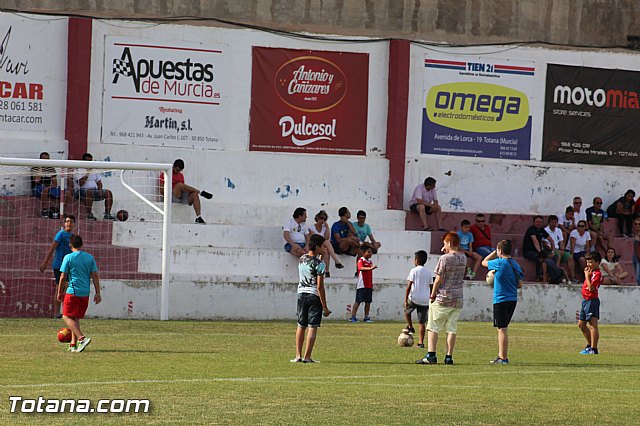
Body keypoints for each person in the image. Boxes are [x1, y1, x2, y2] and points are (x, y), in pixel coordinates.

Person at [416, 232, 465, 365]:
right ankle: (449, 356)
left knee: (433, 327)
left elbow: (438, 279)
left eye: (445, 243)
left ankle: (431, 355)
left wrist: (432, 294)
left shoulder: (444, 258)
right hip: (457, 297)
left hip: (443, 297)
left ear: (449, 243)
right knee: (451, 329)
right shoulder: (463, 258)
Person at [56, 234, 101, 353]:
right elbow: (95, 276)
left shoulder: (68, 257)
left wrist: (60, 291)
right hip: (85, 292)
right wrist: (98, 292)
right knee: (75, 318)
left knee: (66, 316)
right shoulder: (89, 258)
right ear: (82, 244)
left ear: (70, 245)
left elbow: (63, 276)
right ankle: (73, 345)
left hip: (73, 291)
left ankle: (82, 338)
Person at [482, 240, 524, 365]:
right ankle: (501, 355)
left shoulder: (500, 262)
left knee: (502, 329)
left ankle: (503, 358)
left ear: (500, 250)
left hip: (501, 299)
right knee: (503, 328)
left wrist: (494, 253)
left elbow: (483, 262)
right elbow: (520, 284)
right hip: (512, 299)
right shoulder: (515, 264)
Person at [291, 234, 331, 363]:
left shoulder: (302, 259)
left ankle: (298, 355)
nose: (325, 249)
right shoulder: (320, 264)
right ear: (318, 247)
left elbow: (310, 264)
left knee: (301, 325)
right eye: (323, 247)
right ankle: (307, 357)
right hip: (313, 295)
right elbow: (319, 286)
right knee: (312, 326)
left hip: (301, 294)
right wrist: (324, 306)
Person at [39, 214, 75, 318]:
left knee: (66, 288)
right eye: (67, 221)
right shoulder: (60, 234)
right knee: (61, 287)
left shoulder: (73, 237)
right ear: (64, 223)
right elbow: (52, 248)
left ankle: (65, 312)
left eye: (71, 222)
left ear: (74, 224)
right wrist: (45, 262)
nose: (69, 223)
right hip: (59, 265)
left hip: (69, 266)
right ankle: (57, 313)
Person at [160, 159, 212, 224]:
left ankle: (198, 217)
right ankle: (200, 192)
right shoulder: (166, 174)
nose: (178, 172)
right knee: (179, 185)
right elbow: (161, 190)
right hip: (171, 196)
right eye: (177, 170)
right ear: (173, 166)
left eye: (180, 170)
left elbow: (183, 188)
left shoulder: (180, 175)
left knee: (194, 194)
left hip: (180, 196)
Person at [73, 153, 115, 221]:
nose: (89, 163)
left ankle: (107, 214)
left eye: (90, 161)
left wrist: (100, 190)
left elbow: (99, 182)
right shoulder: (78, 170)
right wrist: (87, 173)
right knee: (89, 191)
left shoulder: (94, 169)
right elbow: (80, 183)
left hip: (94, 190)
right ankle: (89, 214)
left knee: (108, 193)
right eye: (87, 161)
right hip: (81, 191)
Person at [404, 250, 431, 349]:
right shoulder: (428, 272)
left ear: (416, 260)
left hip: (414, 298)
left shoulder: (413, 271)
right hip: (424, 300)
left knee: (407, 312)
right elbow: (431, 286)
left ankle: (410, 327)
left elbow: (409, 286)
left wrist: (405, 299)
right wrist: (432, 297)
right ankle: (421, 343)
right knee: (422, 323)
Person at [578, 251, 603, 355]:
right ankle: (589, 346)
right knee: (581, 324)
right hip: (585, 300)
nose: (588, 264)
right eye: (587, 262)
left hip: (592, 301)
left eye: (591, 262)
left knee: (592, 324)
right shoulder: (590, 272)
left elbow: (591, 289)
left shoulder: (597, 274)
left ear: (597, 262)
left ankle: (594, 348)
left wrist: (587, 276)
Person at [310, 210, 344, 278]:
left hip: (322, 246)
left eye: (324, 219)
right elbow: (313, 238)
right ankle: (336, 261)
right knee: (327, 243)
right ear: (317, 218)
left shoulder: (324, 228)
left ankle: (327, 271)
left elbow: (327, 237)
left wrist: (327, 228)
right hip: (315, 245)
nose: (322, 220)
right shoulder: (312, 227)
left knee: (326, 250)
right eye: (321, 218)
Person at [544, 215, 576, 283]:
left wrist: (562, 250)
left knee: (569, 257)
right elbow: (546, 245)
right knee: (558, 255)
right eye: (552, 222)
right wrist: (556, 250)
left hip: (558, 249)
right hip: (550, 250)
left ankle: (572, 277)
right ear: (549, 223)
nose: (554, 224)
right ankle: (556, 275)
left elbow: (561, 242)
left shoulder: (558, 230)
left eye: (555, 222)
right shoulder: (545, 230)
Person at [350, 246, 377, 323]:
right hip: (362, 284)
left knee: (368, 301)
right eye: (368, 252)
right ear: (363, 253)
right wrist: (370, 268)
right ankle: (353, 317)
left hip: (368, 284)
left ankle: (366, 317)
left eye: (371, 252)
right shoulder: (361, 260)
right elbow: (360, 268)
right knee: (358, 301)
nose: (370, 253)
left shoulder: (370, 262)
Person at [31, 151, 61, 219]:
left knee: (64, 191)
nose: (46, 161)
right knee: (43, 188)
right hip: (37, 188)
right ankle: (44, 210)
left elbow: (55, 184)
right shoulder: (35, 168)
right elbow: (36, 180)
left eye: (47, 159)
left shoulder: (51, 169)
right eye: (44, 159)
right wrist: (41, 168)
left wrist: (49, 187)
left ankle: (59, 211)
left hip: (48, 188)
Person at [522, 215, 553, 280]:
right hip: (528, 251)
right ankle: (538, 276)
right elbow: (535, 240)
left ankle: (552, 274)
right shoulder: (531, 229)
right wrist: (539, 252)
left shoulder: (542, 230)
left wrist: (552, 250)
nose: (539, 223)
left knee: (553, 256)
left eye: (540, 222)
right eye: (537, 222)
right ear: (534, 222)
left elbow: (550, 239)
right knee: (539, 258)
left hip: (538, 250)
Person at [633, 218, 640, 285]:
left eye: (639, 224)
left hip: (638, 256)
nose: (637, 225)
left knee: (638, 277)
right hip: (635, 255)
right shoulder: (636, 234)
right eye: (635, 224)